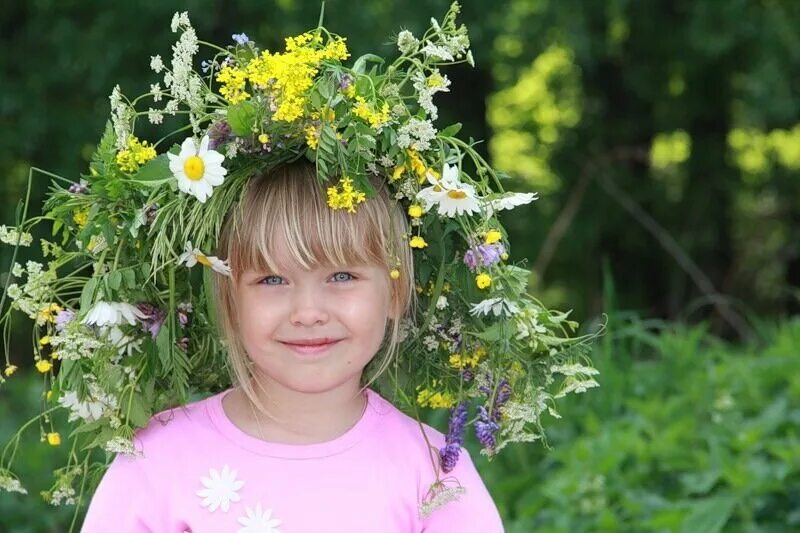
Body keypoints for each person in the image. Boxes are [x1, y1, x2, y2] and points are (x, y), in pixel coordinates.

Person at [80, 163, 505, 531]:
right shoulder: (158, 460)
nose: (307, 312)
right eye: (272, 280)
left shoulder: (434, 474)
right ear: (230, 302)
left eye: (341, 276)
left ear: (395, 294)